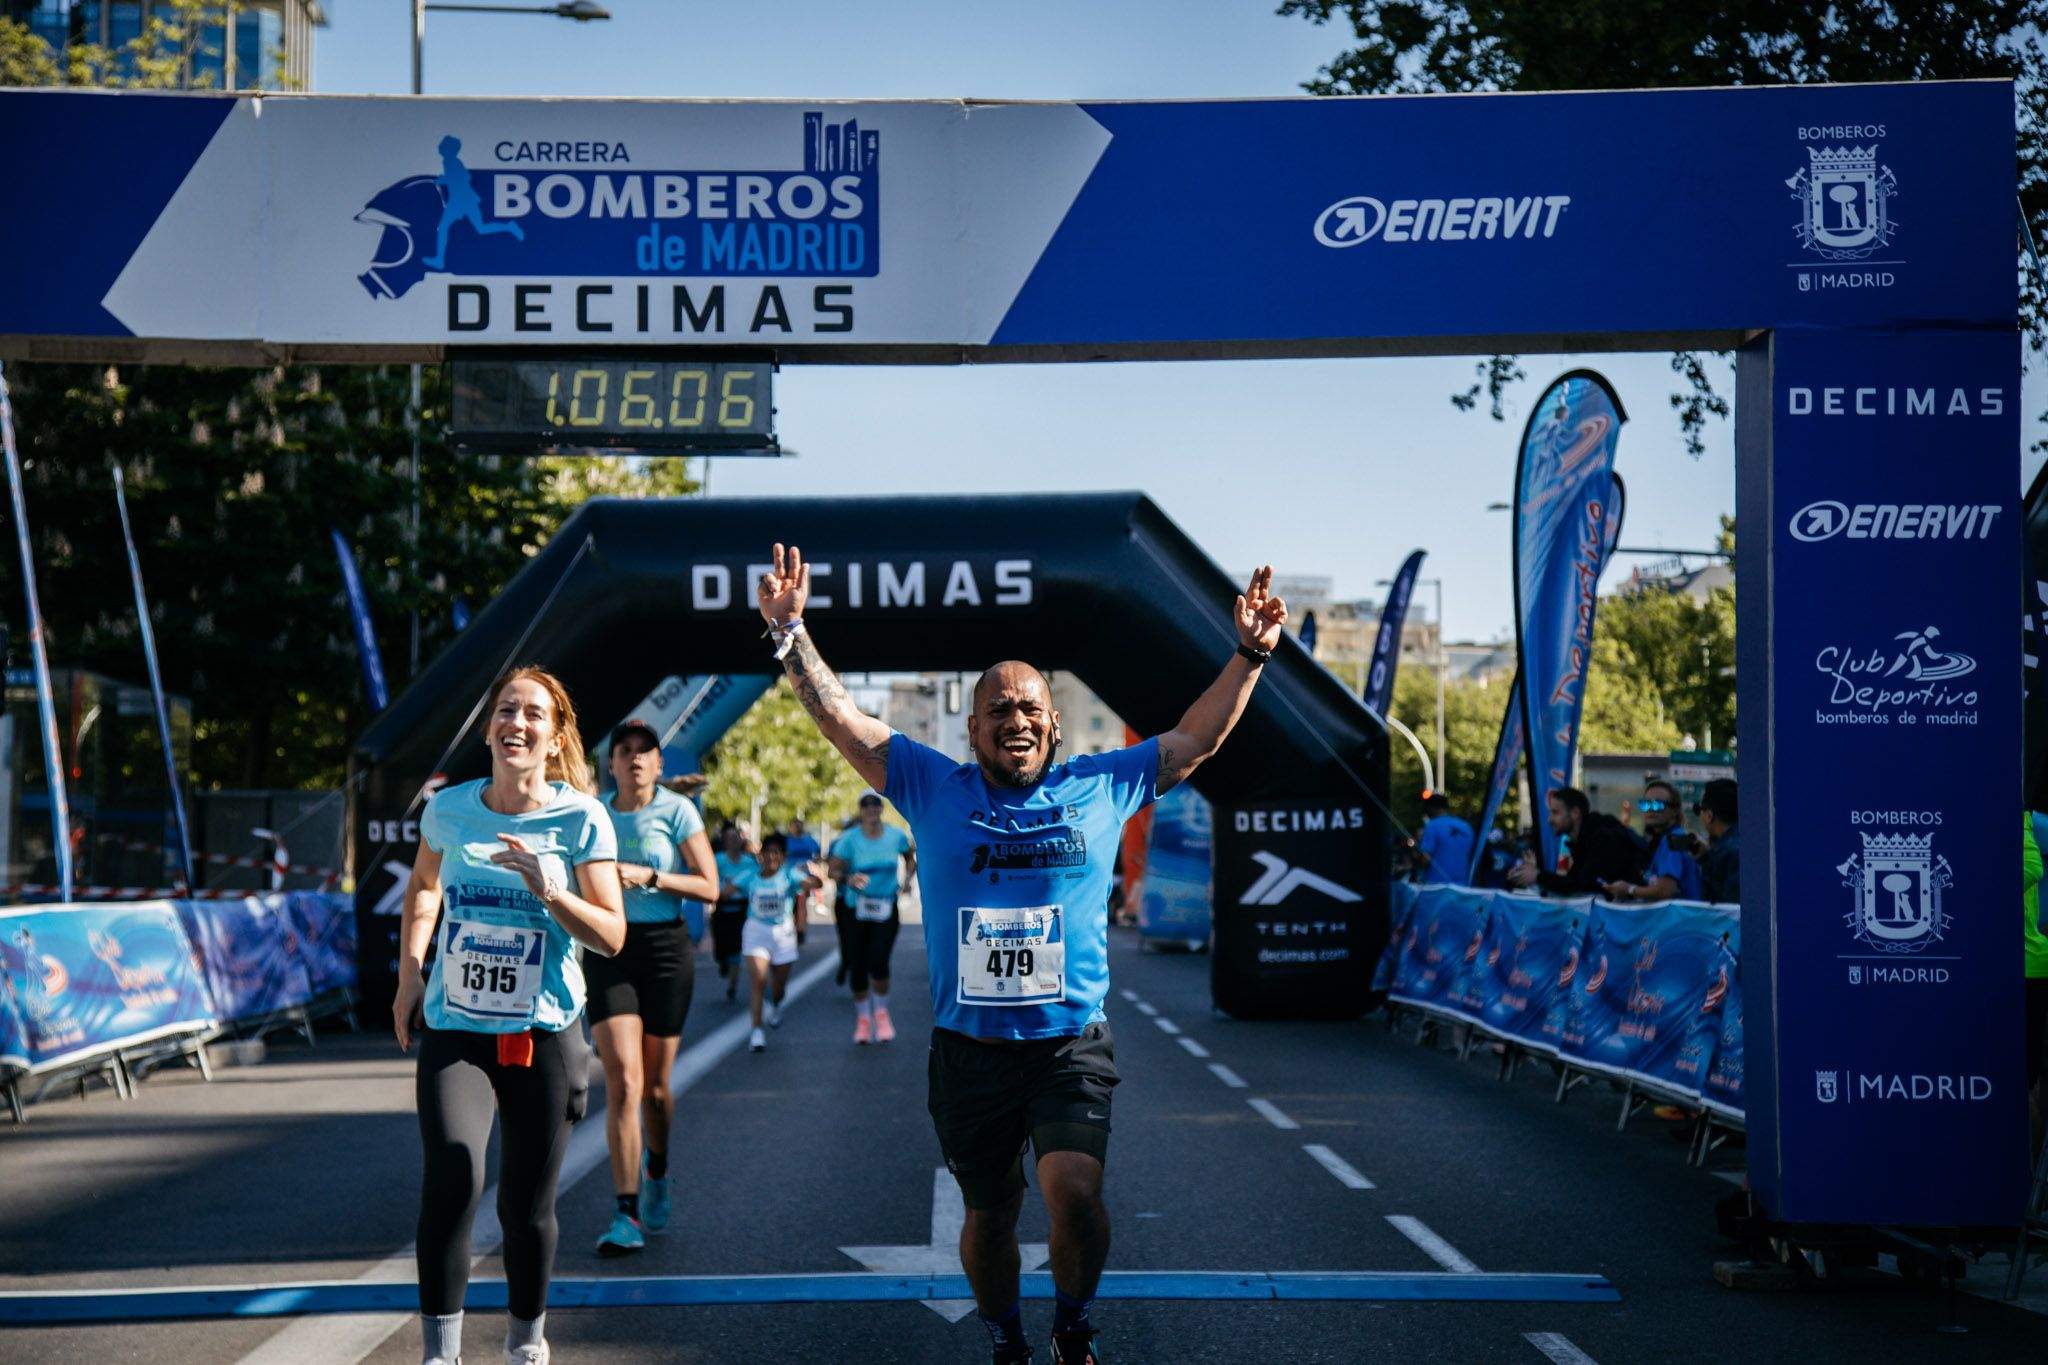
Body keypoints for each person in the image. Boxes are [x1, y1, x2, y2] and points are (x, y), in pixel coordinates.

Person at [757, 541, 1286, 1365]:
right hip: (969, 1051)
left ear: (1054, 721)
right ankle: (1007, 1338)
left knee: (1073, 1194)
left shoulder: (1101, 784)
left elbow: (1194, 742)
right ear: (972, 728)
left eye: (1030, 707)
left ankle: (1072, 1324)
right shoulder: (932, 784)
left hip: (1068, 1042)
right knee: (991, 1214)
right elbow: (843, 721)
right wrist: (793, 636)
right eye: (998, 709)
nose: (1017, 719)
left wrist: (1250, 654)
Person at [392, 667, 625, 1365]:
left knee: (524, 1206)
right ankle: (441, 1353)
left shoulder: (581, 817)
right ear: (490, 726)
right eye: (505, 710)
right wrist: (410, 972)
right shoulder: (450, 809)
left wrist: (551, 889)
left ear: (554, 739)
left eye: (532, 714)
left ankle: (526, 1340)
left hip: (544, 1029)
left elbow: (612, 933)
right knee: (454, 1172)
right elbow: (425, 887)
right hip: (457, 1026)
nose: (515, 724)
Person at [588, 719, 720, 1257]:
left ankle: (657, 1169)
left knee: (657, 1092)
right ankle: (625, 1213)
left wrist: (651, 877)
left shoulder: (677, 810)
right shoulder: (593, 812)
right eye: (626, 751)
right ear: (612, 762)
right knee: (623, 1079)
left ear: (660, 764)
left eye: (646, 751)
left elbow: (710, 886)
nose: (636, 759)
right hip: (610, 950)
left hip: (666, 949)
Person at [828, 791, 917, 1044]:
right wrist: (848, 878)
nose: (870, 809)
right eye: (865, 805)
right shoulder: (848, 840)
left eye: (875, 804)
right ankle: (863, 1020)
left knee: (879, 961)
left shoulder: (896, 836)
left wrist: (907, 880)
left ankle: (881, 1014)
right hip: (854, 908)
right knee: (857, 964)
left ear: (881, 808)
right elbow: (832, 870)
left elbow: (910, 856)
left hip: (886, 906)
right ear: (860, 810)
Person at [729, 831, 818, 1052]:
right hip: (756, 931)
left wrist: (814, 879)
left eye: (776, 853)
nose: (771, 857)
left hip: (783, 934)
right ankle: (757, 1031)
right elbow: (725, 890)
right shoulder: (751, 876)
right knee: (758, 980)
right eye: (767, 853)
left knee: (779, 985)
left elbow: (813, 884)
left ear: (783, 856)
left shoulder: (789, 875)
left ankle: (776, 1003)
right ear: (761, 855)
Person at [1508, 786, 1642, 898]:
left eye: (1555, 813)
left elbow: (1579, 886)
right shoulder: (1584, 840)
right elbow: (1572, 882)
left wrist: (1537, 876)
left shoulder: (1604, 838)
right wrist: (1531, 875)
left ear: (1575, 813)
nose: (1549, 820)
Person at [1603, 779, 1703, 903]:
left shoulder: (1673, 840)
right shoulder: (1661, 840)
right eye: (1646, 804)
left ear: (1674, 811)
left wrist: (1629, 889)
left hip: (1682, 919)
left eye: (1658, 804)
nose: (1651, 809)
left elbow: (1665, 890)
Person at [711, 824, 753, 1001]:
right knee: (721, 949)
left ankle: (732, 985)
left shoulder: (749, 862)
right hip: (722, 909)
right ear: (725, 842)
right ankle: (723, 962)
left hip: (741, 910)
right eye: (730, 839)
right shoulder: (718, 860)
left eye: (736, 838)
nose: (734, 842)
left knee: (737, 948)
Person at [2026, 810, 2048, 1155]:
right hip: (1982, 968)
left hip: (2029, 965)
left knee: (2028, 1075)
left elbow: (2031, 869)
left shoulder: (2023, 817)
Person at [1409, 792, 1475, 887]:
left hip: (1436, 888)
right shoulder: (1466, 827)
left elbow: (1424, 860)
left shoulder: (1432, 826)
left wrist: (1415, 852)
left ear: (1430, 808)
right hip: (1463, 887)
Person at [1695, 779, 1740, 904]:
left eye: (1699, 810)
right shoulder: (1746, 841)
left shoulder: (1727, 852)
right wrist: (1705, 857)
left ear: (1709, 816)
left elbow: (1719, 905)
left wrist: (1707, 860)